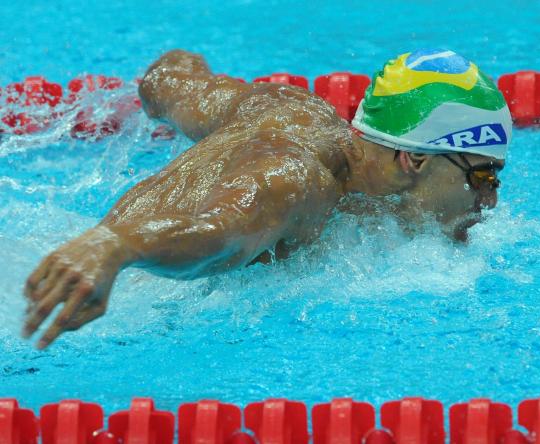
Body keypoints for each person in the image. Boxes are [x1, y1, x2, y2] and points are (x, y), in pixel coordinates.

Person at [22, 48, 511, 349]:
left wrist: (170, 72)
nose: (488, 201)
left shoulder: (287, 109)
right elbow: (221, 233)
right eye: (484, 175)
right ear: (416, 160)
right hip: (76, 311)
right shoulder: (297, 180)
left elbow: (169, 82)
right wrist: (115, 246)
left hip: (44, 262)